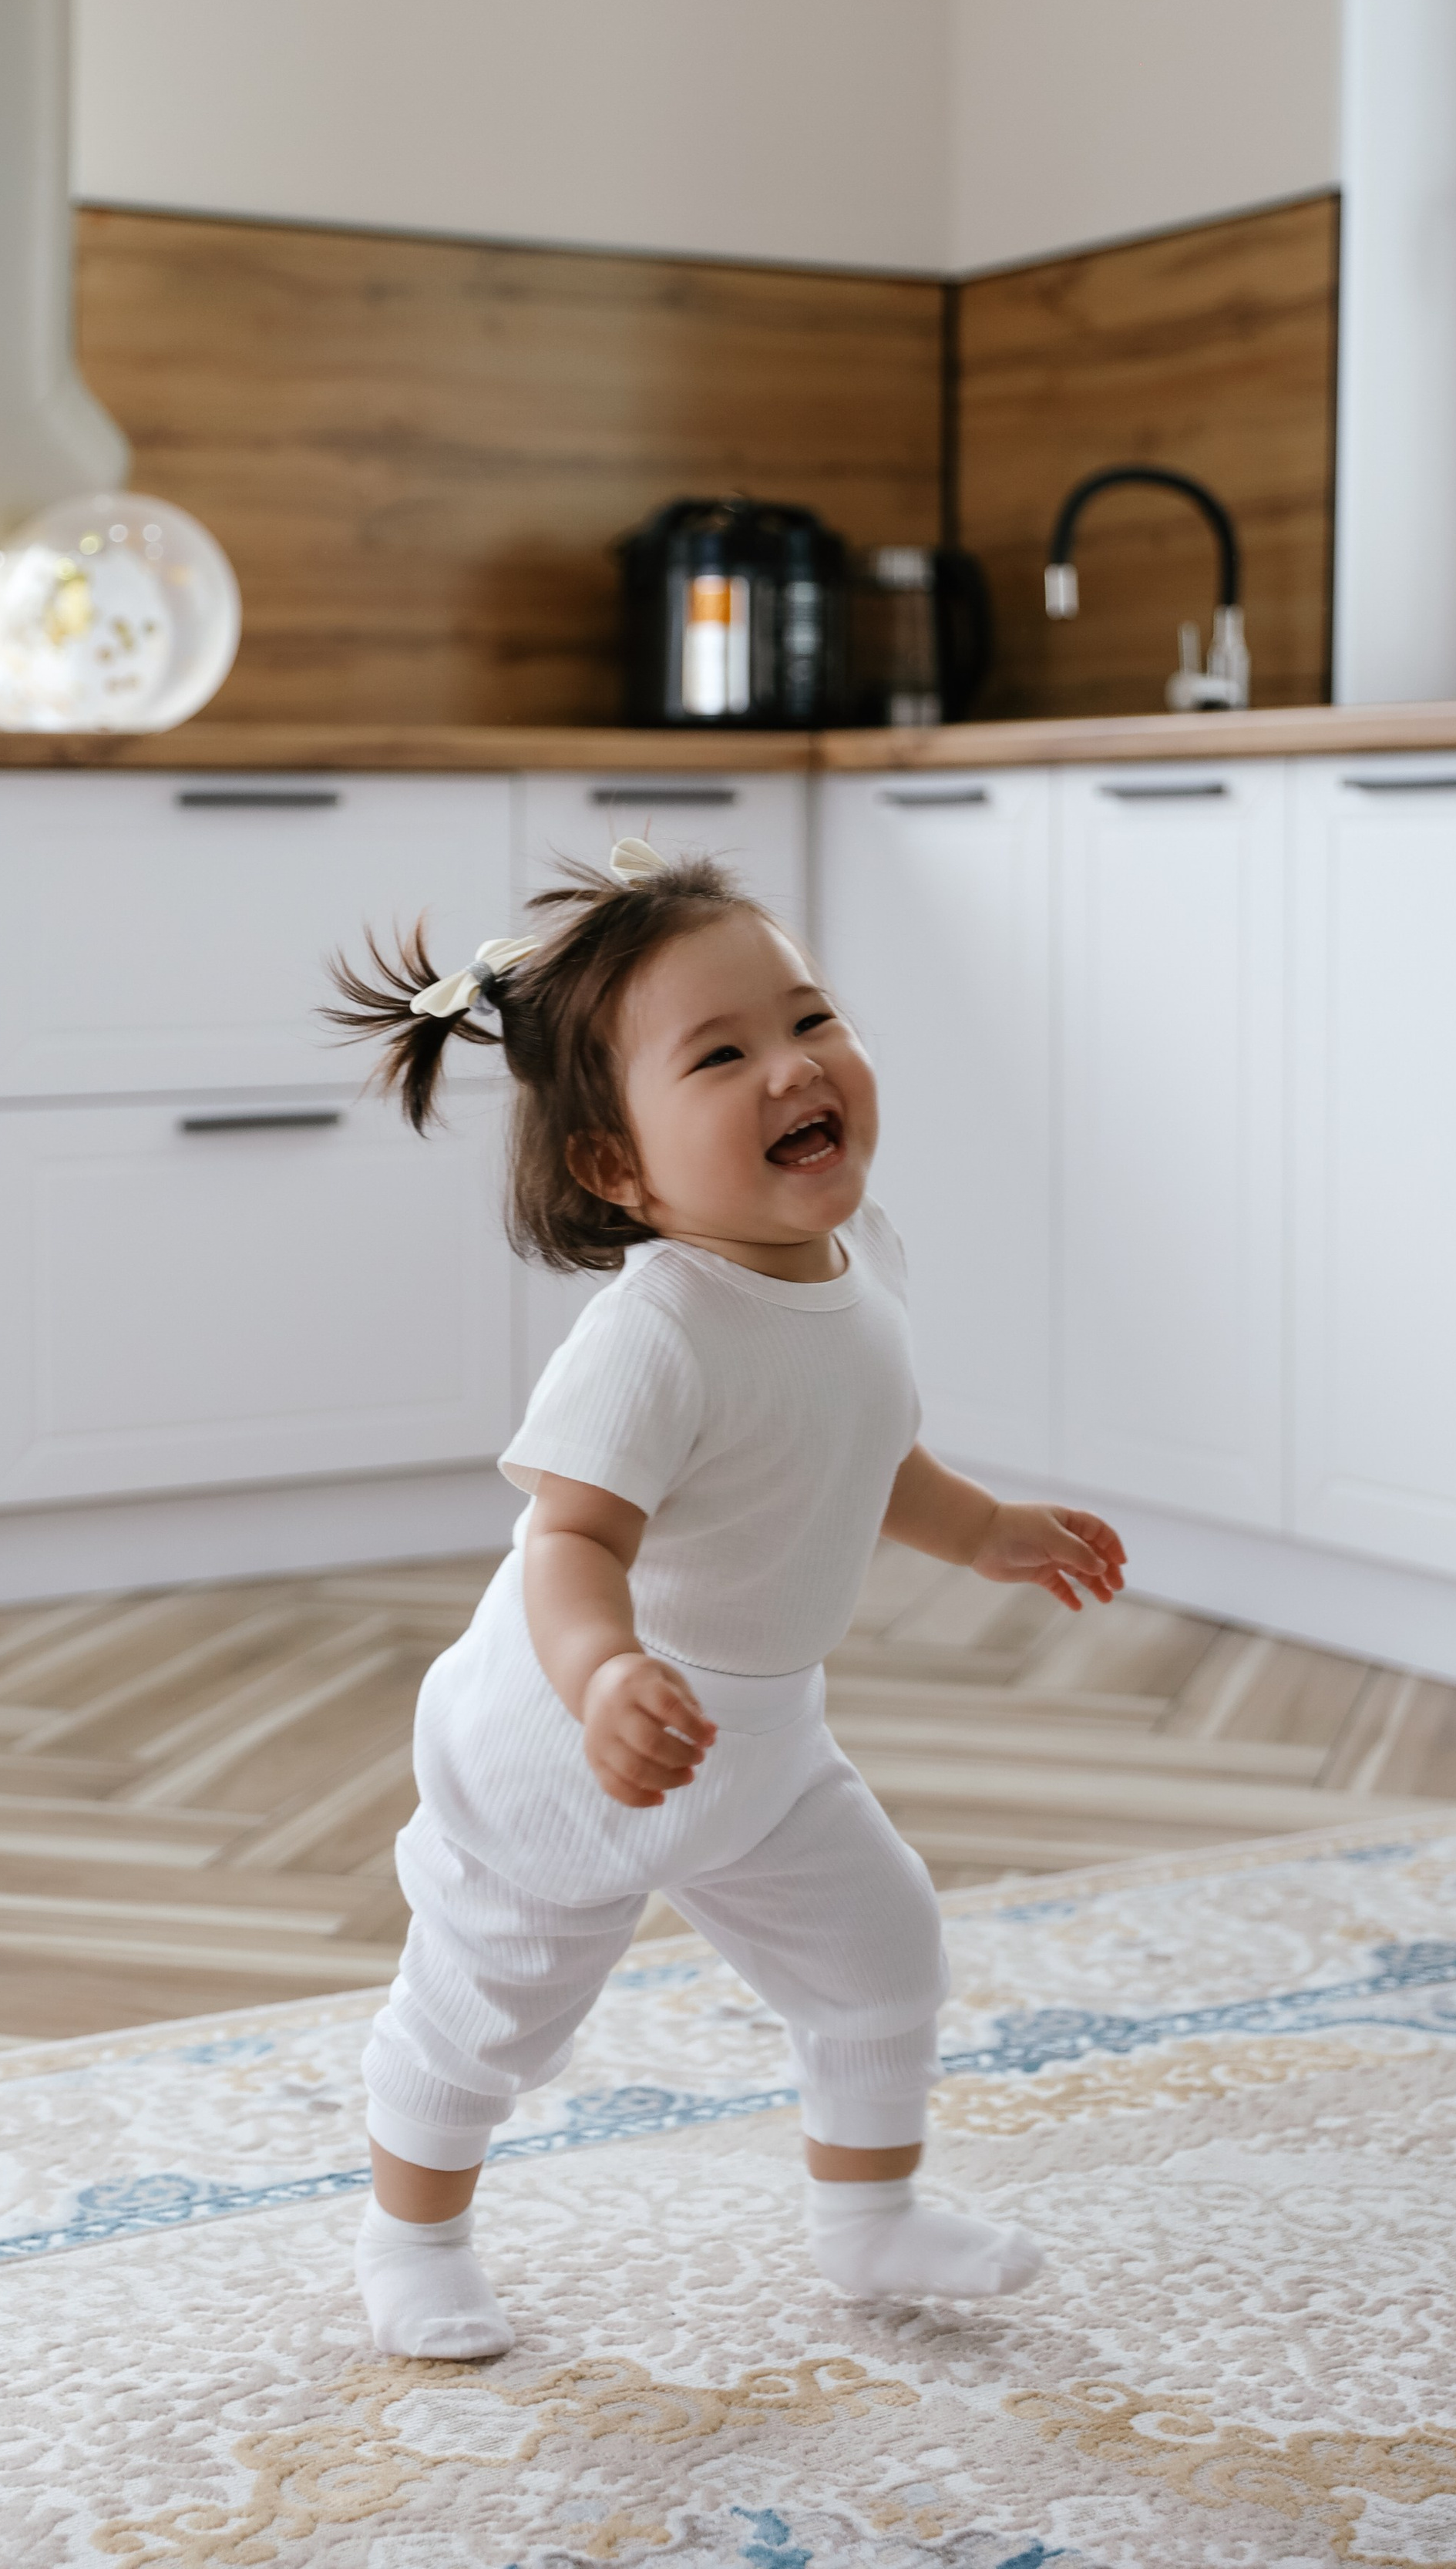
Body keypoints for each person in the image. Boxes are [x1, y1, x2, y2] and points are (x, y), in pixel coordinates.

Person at [327, 836, 1126, 2362]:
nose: (791, 1067)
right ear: (613, 1168)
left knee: (881, 1944)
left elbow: (859, 1450)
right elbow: (567, 1544)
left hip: (756, 1737)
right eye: (720, 1053)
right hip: (566, 1744)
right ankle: (409, 2233)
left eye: (808, 1021)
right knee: (488, 2011)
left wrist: (985, 1532)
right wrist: (603, 1676)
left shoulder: (853, 1259)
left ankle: (866, 2218)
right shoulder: (655, 1339)